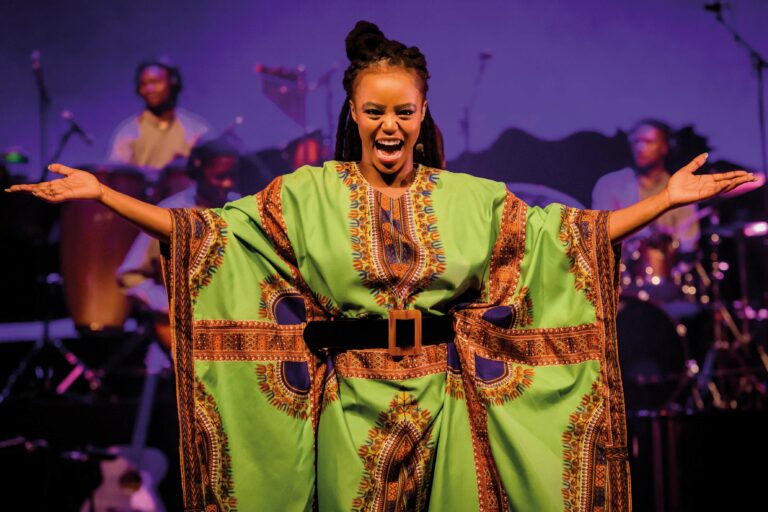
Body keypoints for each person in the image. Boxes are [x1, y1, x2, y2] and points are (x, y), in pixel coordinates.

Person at [8, 21, 756, 512]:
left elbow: (570, 237)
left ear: (423, 113)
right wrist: (104, 192)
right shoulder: (308, 194)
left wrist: (666, 202)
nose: (389, 126)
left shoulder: (470, 198)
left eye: (403, 112)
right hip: (348, 402)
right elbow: (206, 233)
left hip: (449, 398)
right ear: (354, 113)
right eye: (374, 112)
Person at [116, 137, 241, 319]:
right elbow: (130, 275)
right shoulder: (169, 214)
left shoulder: (239, 211)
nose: (228, 183)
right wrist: (169, 305)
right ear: (198, 172)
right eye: (220, 177)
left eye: (232, 176)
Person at [592, 120, 700, 253]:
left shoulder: (681, 189)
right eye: (636, 142)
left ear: (665, 147)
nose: (640, 148)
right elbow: (600, 237)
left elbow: (688, 243)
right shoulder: (609, 184)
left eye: (648, 142)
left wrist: (667, 237)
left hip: (666, 267)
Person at [107, 60, 211, 178]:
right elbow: (116, 174)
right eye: (143, 84)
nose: (149, 89)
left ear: (173, 83)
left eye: (155, 82)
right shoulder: (129, 131)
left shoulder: (197, 128)